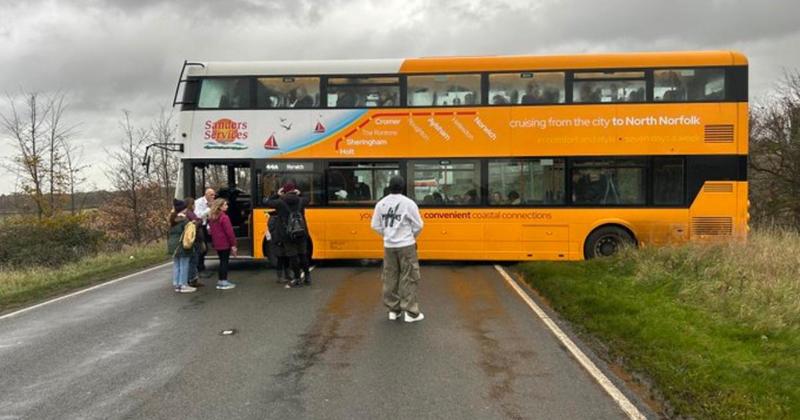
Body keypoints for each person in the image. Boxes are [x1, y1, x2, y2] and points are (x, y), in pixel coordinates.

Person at [370, 175, 425, 323]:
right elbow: (419, 225)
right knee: (409, 277)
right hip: (406, 245)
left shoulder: (381, 204)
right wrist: (412, 236)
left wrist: (387, 234)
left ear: (389, 187)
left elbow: (375, 225)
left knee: (390, 277)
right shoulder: (408, 203)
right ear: (402, 187)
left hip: (389, 246)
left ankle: (393, 310)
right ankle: (411, 312)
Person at [266, 182, 311, 288]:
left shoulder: (280, 202)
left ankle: (297, 278)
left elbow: (267, 202)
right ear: (294, 190)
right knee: (303, 255)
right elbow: (308, 198)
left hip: (287, 234)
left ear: (284, 191)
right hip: (301, 233)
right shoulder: (301, 200)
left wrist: (277, 194)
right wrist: (300, 193)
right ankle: (308, 276)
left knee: (293, 256)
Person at [208, 198, 237, 290]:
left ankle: (221, 281)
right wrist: (233, 244)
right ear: (220, 207)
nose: (227, 206)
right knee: (224, 262)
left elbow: (210, 231)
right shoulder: (224, 217)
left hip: (217, 243)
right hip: (225, 243)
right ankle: (223, 281)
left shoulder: (212, 217)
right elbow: (230, 232)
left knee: (221, 261)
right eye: (225, 205)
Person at [168, 199, 196, 293]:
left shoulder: (172, 219)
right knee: (184, 264)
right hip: (182, 245)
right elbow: (189, 231)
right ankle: (183, 284)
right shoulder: (184, 220)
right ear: (182, 209)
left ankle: (177, 284)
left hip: (173, 245)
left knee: (176, 264)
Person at [184, 197, 205, 288]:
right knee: (193, 260)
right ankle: (192, 279)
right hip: (194, 240)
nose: (195, 206)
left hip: (195, 240)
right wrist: (199, 221)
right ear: (191, 205)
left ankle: (192, 278)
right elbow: (195, 224)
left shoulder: (188, 213)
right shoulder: (189, 214)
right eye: (193, 204)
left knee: (193, 260)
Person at [194, 188, 215, 276]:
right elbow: (198, 215)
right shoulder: (199, 202)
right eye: (211, 195)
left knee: (205, 248)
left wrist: (208, 226)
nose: (213, 197)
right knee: (202, 248)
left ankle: (202, 267)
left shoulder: (210, 203)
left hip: (204, 226)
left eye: (214, 195)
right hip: (198, 227)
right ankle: (199, 269)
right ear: (206, 195)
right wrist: (209, 209)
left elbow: (208, 217)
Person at [266, 208, 289, 283]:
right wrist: (278, 241)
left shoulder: (276, 218)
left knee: (286, 258)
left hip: (282, 241)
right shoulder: (274, 219)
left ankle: (286, 275)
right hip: (278, 242)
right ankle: (280, 277)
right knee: (280, 259)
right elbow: (273, 231)